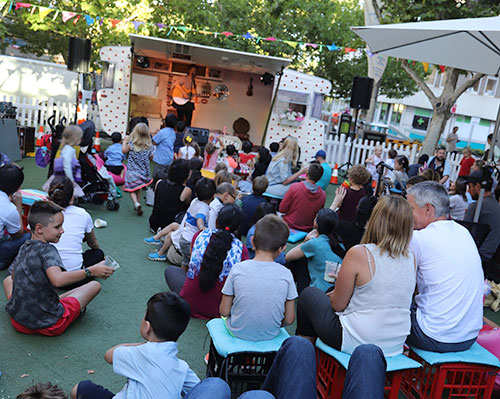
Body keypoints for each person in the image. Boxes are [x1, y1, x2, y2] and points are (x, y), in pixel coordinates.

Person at [297, 196, 416, 356]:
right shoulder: (411, 258)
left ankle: (303, 356)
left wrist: (335, 295)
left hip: (357, 339)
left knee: (308, 295)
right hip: (395, 343)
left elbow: (337, 305)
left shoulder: (360, 252)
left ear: (375, 220)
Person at [3, 201, 114, 336]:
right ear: (39, 229)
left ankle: (53, 299)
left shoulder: (24, 246)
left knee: (7, 280)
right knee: (95, 285)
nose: (62, 230)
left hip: (18, 321)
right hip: (49, 325)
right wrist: (91, 271)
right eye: (58, 227)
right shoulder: (48, 250)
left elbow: (14, 276)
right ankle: (63, 308)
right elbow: (58, 281)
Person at [71, 292, 200, 399]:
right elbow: (199, 387)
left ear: (147, 327)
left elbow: (109, 355)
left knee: (81, 389)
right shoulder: (182, 367)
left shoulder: (141, 353)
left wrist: (142, 344)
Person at [406, 181, 483, 352]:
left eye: (410, 208)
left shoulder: (420, 238)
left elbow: (398, 284)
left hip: (431, 336)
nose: (406, 214)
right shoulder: (463, 232)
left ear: (428, 209)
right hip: (468, 337)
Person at [220, 215, 297, 341]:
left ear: (252, 241)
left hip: (237, 332)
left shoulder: (237, 269)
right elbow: (289, 319)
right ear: (282, 249)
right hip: (270, 335)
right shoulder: (286, 274)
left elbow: (224, 311)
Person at [165, 205, 248, 319]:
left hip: (188, 304)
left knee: (170, 271)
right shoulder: (241, 249)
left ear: (217, 220)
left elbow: (191, 264)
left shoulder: (199, 235)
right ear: (238, 227)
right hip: (219, 310)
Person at [150, 178, 216, 265]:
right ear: (213, 196)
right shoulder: (204, 208)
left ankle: (158, 244)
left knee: (185, 259)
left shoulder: (194, 201)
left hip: (183, 237)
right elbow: (200, 218)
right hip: (188, 241)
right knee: (191, 260)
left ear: (195, 193)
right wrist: (201, 227)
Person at [48, 177, 104, 276]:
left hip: (47, 273)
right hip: (73, 275)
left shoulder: (40, 212)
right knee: (98, 253)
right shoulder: (82, 213)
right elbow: (93, 243)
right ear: (71, 196)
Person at [285, 209, 345, 294]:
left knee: (297, 260)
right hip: (335, 291)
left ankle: (290, 291)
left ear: (315, 223)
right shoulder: (339, 243)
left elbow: (288, 256)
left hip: (318, 293)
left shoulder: (315, 244)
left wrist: (306, 241)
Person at [464, 170, 500, 262]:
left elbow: (463, 236)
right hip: (492, 258)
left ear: (477, 187)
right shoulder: (496, 205)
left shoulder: (476, 207)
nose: (468, 191)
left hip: (479, 258)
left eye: (470, 187)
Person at [148, 159, 191, 233]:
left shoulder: (159, 182)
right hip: (170, 228)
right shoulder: (186, 191)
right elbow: (187, 205)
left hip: (153, 223)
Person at [279, 163, 326, 231]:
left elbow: (282, 209)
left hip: (289, 225)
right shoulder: (323, 195)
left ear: (307, 174)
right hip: (307, 229)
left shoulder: (294, 187)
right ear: (319, 178)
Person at [0, 164, 30, 270]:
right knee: (30, 236)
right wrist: (18, 206)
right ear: (18, 187)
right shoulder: (9, 209)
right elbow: (17, 234)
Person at [122, 122, 154, 216]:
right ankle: (138, 205)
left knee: (131, 189)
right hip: (142, 172)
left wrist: (125, 141)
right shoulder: (149, 147)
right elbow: (151, 157)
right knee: (138, 188)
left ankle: (136, 203)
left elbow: (124, 151)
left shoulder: (131, 144)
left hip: (131, 171)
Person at [44, 125, 84, 198]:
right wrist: (70, 179)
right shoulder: (69, 150)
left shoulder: (67, 148)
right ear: (74, 139)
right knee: (67, 194)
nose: (81, 140)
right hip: (64, 178)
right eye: (80, 138)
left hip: (63, 177)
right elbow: (67, 165)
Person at [152, 113, 177, 180]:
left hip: (161, 159)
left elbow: (154, 142)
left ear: (165, 122)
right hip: (169, 158)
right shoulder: (173, 133)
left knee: (157, 176)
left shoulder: (163, 132)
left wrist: (156, 133)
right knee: (166, 177)